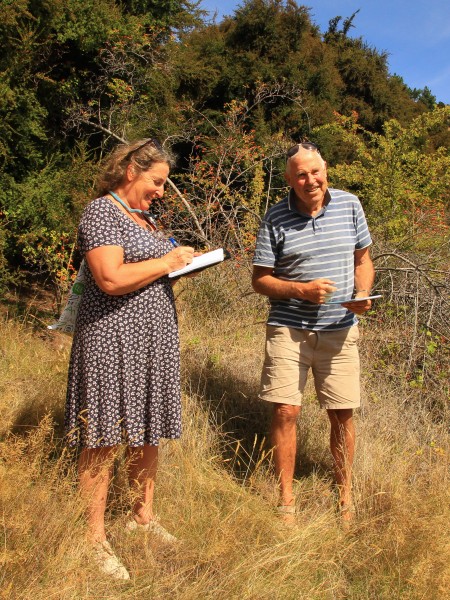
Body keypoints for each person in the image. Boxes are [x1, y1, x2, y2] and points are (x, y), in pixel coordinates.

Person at [65, 139, 195, 579]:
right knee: (102, 435)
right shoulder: (101, 212)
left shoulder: (143, 218)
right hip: (110, 342)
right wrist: (167, 261)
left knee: (146, 429)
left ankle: (143, 518)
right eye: (157, 181)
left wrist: (181, 262)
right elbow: (111, 278)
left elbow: (145, 267)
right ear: (129, 171)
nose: (161, 190)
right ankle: (93, 540)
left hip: (151, 342)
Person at [252, 142, 374, 525]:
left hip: (339, 330)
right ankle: (286, 499)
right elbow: (260, 281)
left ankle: (345, 497)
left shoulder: (350, 205)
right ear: (289, 179)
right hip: (289, 329)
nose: (310, 180)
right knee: (287, 410)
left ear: (326, 170)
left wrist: (363, 294)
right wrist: (299, 290)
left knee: (342, 413)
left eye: (315, 171)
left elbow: (363, 260)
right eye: (300, 175)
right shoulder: (274, 217)